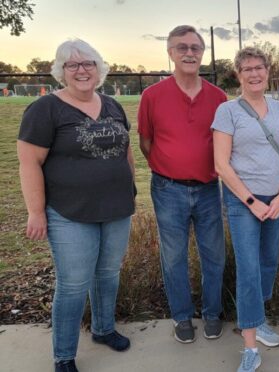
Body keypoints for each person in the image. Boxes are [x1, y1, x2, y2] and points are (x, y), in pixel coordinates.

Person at [17, 39, 135, 372]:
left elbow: (125, 150)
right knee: (73, 284)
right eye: (73, 65)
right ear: (61, 71)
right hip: (69, 213)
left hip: (116, 209)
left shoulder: (112, 104)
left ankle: (103, 329)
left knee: (108, 274)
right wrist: (36, 211)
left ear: (99, 69)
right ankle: (64, 355)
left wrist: (130, 190)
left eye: (88, 64)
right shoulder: (46, 109)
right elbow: (29, 163)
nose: (81, 70)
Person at [137, 25, 226, 343]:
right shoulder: (152, 95)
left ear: (203, 53)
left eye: (195, 47)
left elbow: (225, 143)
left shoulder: (218, 97)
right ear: (170, 52)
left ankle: (213, 313)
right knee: (173, 257)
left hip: (207, 189)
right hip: (167, 189)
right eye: (182, 47)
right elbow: (146, 142)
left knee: (214, 255)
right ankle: (182, 316)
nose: (189, 53)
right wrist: (170, 165)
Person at [212, 46, 279, 372]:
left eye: (259, 67)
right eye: (247, 69)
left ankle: (257, 319)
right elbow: (221, 163)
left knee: (267, 262)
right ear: (239, 74)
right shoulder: (228, 111)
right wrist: (252, 201)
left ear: (267, 70)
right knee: (248, 269)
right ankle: (250, 347)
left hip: (274, 199)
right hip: (243, 201)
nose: (254, 73)